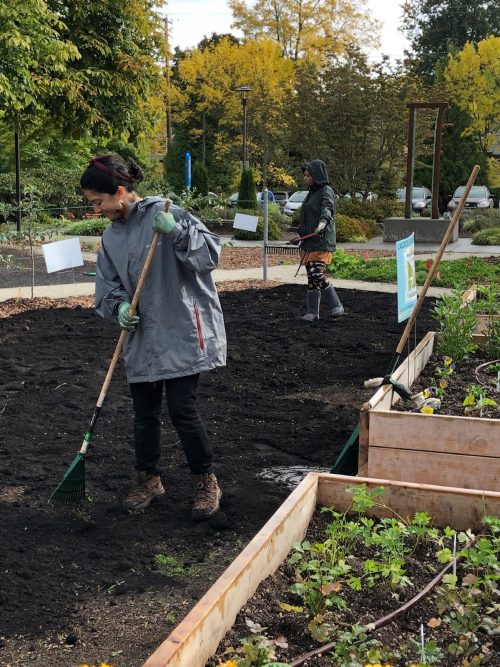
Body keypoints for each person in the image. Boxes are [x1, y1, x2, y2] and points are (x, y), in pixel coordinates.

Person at [80, 154, 227, 521]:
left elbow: (211, 256)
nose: (97, 209)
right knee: (144, 413)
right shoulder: (111, 237)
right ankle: (148, 479)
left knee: (182, 409)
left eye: (99, 202)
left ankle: (205, 481)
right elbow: (107, 286)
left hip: (181, 330)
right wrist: (118, 308)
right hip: (142, 336)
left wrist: (177, 232)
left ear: (119, 191)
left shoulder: (169, 214)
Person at [297, 159, 344, 321]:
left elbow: (327, 208)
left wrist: (322, 223)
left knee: (316, 273)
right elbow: (306, 218)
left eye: (308, 175)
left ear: (316, 176)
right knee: (311, 277)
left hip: (321, 241)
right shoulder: (311, 193)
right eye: (304, 175)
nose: (305, 178)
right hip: (308, 242)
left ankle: (336, 305)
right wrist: (300, 235)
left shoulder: (326, 191)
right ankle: (312, 312)